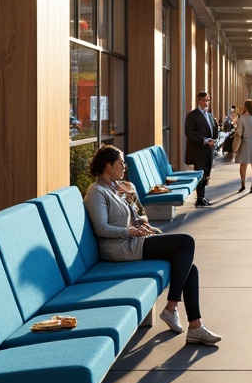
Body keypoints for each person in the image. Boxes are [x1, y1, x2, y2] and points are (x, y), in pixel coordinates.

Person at [85, 145, 221, 345]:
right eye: (120, 163)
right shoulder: (97, 192)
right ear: (107, 165)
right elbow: (102, 229)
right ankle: (171, 307)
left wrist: (141, 223)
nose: (124, 166)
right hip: (119, 248)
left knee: (190, 268)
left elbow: (135, 217)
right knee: (186, 242)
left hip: (133, 241)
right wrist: (130, 231)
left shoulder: (118, 187)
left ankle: (195, 326)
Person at [184, 90, 219, 207]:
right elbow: (189, 132)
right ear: (198, 101)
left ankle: (202, 196)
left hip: (209, 150)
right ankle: (199, 198)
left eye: (208, 100)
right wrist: (204, 140)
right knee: (200, 174)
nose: (206, 102)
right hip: (198, 150)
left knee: (207, 173)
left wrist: (214, 137)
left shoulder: (209, 115)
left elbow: (213, 131)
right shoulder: (192, 115)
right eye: (204, 100)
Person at [233, 99, 252, 193]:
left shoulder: (242, 118)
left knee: (243, 164)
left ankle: (243, 184)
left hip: (245, 142)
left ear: (245, 107)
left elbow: (239, 133)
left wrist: (235, 144)